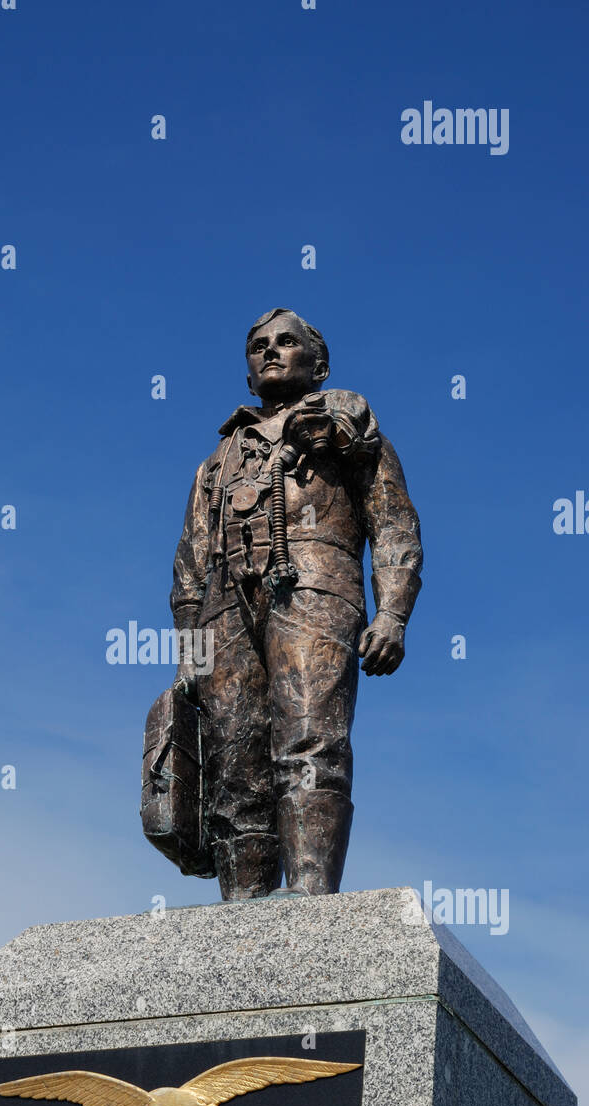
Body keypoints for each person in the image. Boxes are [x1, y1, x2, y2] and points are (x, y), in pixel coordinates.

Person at [169, 308, 423, 900]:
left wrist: (393, 612)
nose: (271, 351)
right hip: (225, 611)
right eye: (258, 345)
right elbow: (189, 567)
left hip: (314, 589)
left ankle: (311, 908)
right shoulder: (217, 461)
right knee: (234, 765)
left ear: (319, 363)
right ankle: (243, 916)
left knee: (310, 742)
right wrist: (190, 652)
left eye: (287, 342)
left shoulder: (351, 432)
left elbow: (394, 528)